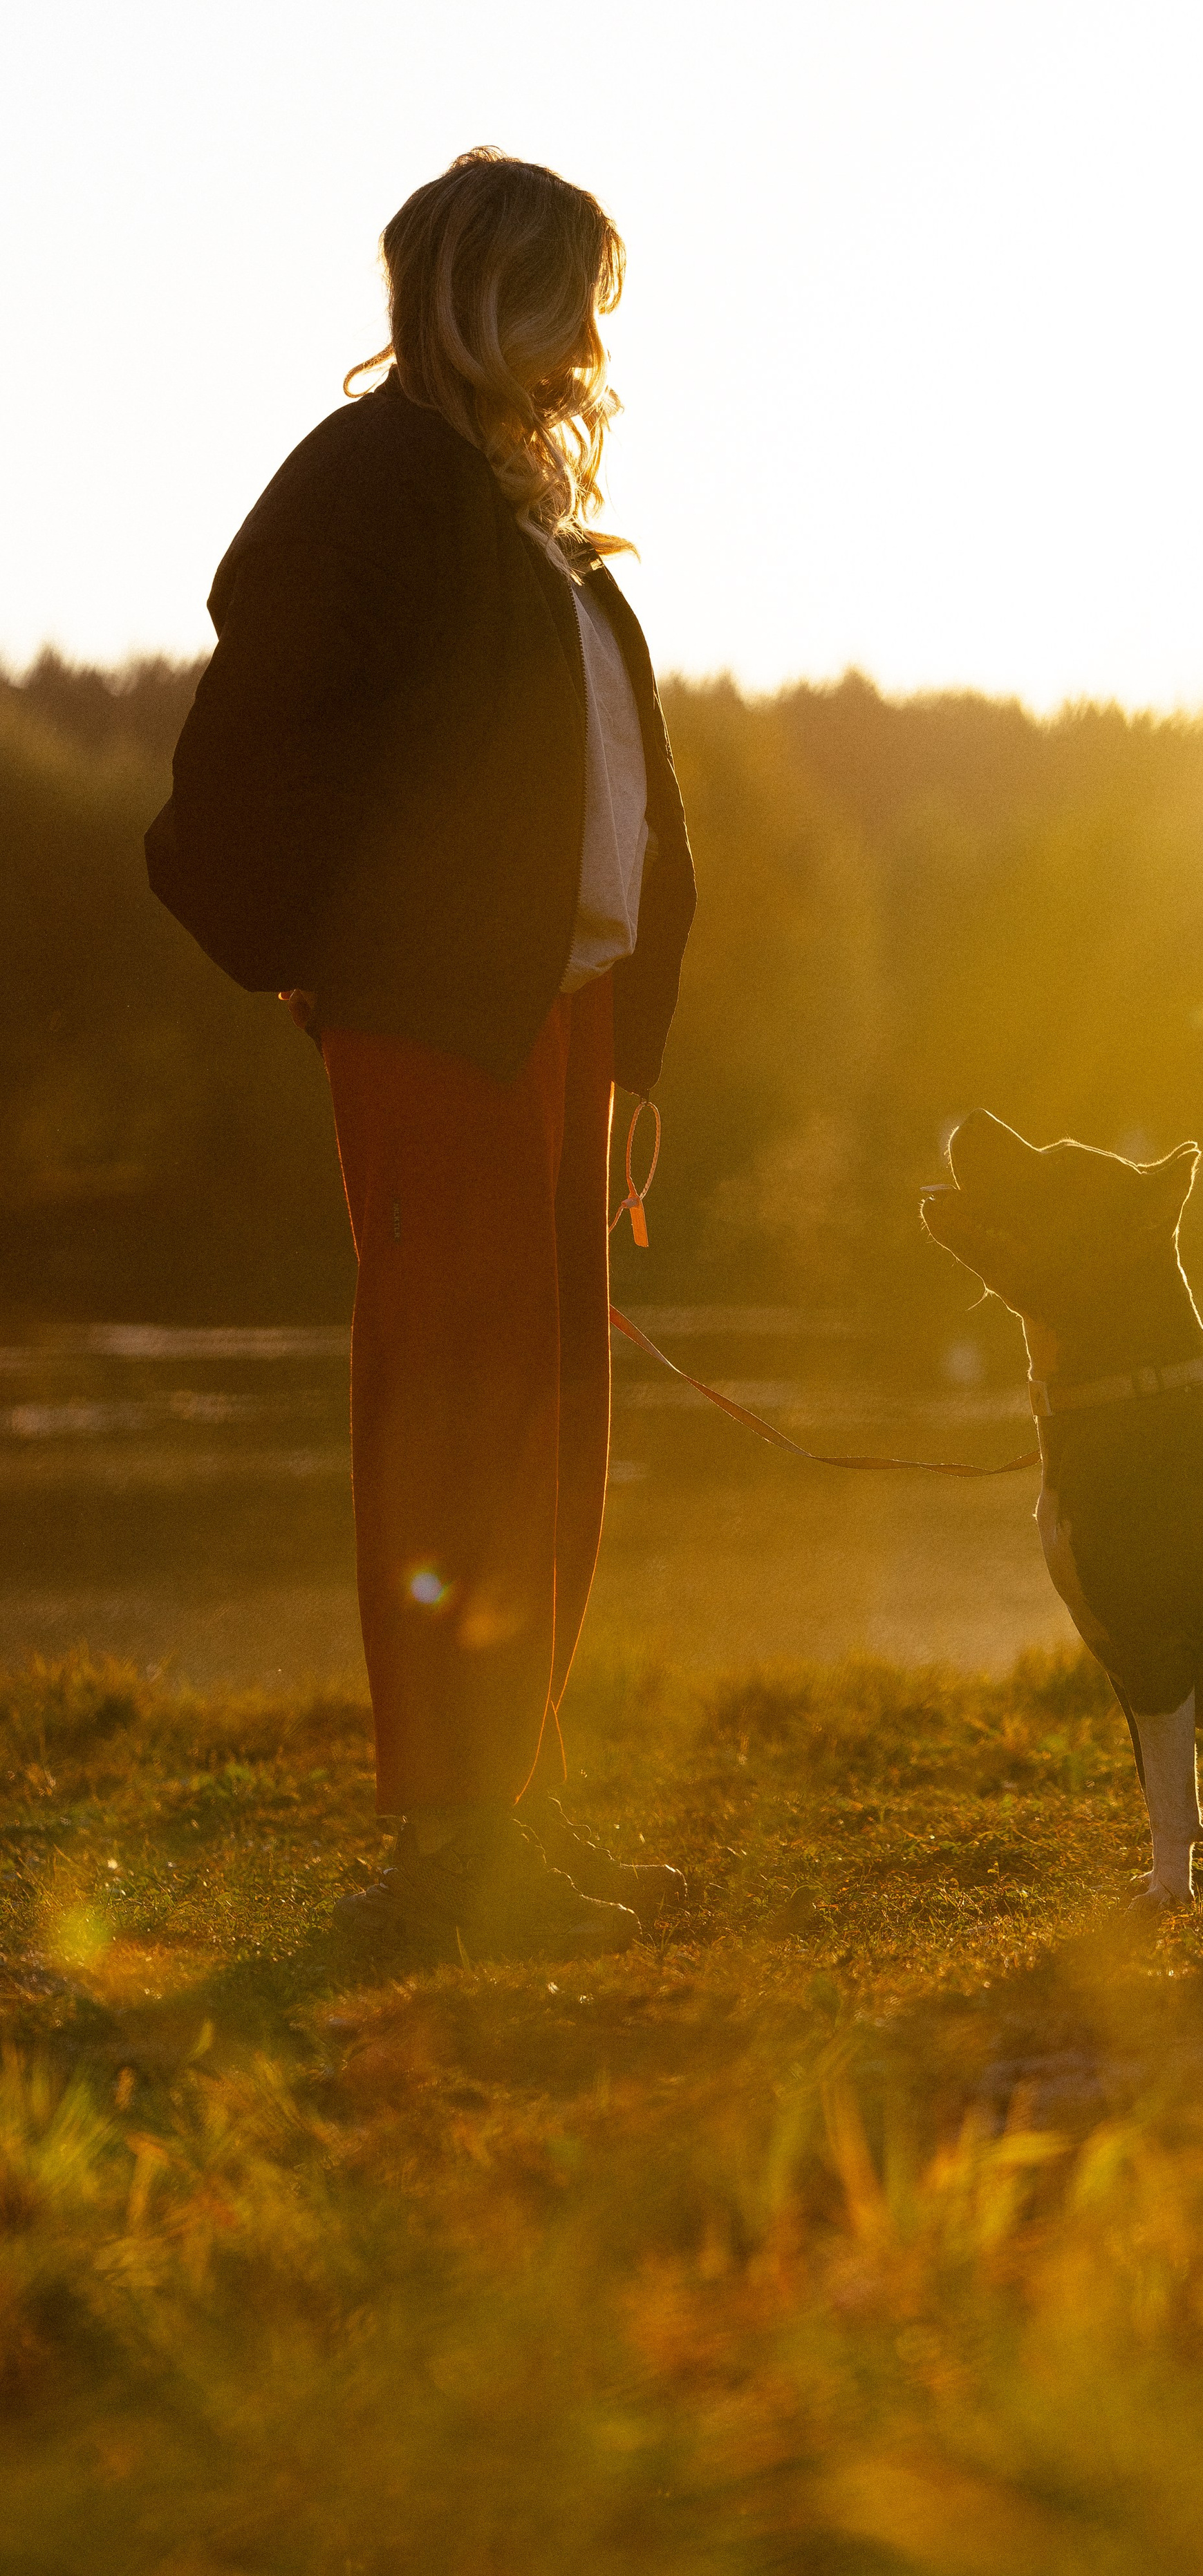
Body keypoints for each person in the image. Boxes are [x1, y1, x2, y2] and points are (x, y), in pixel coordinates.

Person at [145, 149, 696, 1961]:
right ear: (491, 289)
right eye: (578, 295)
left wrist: (639, 1061)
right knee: (455, 1420)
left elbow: (622, 796)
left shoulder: (523, 506)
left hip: (569, 1014)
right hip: (438, 1022)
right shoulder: (371, 481)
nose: (596, 339)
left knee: (553, 1425)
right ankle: (448, 1843)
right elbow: (230, 788)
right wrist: (342, 972)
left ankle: (514, 1819)